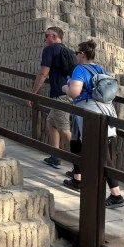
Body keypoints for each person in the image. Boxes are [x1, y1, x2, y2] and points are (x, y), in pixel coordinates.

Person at [61, 39, 124, 208]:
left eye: (76, 53)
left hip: (90, 113)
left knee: (102, 153)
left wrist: (65, 88)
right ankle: (77, 179)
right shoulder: (99, 69)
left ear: (82, 54)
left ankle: (116, 194)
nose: (75, 56)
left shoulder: (79, 69)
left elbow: (74, 92)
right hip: (103, 110)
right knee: (76, 143)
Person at [30, 26, 73, 169]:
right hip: (66, 94)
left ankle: (81, 162)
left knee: (64, 128)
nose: (45, 38)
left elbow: (43, 73)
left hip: (61, 95)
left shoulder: (50, 50)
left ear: (54, 36)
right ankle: (55, 156)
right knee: (51, 122)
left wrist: (33, 93)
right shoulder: (67, 51)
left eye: (46, 35)